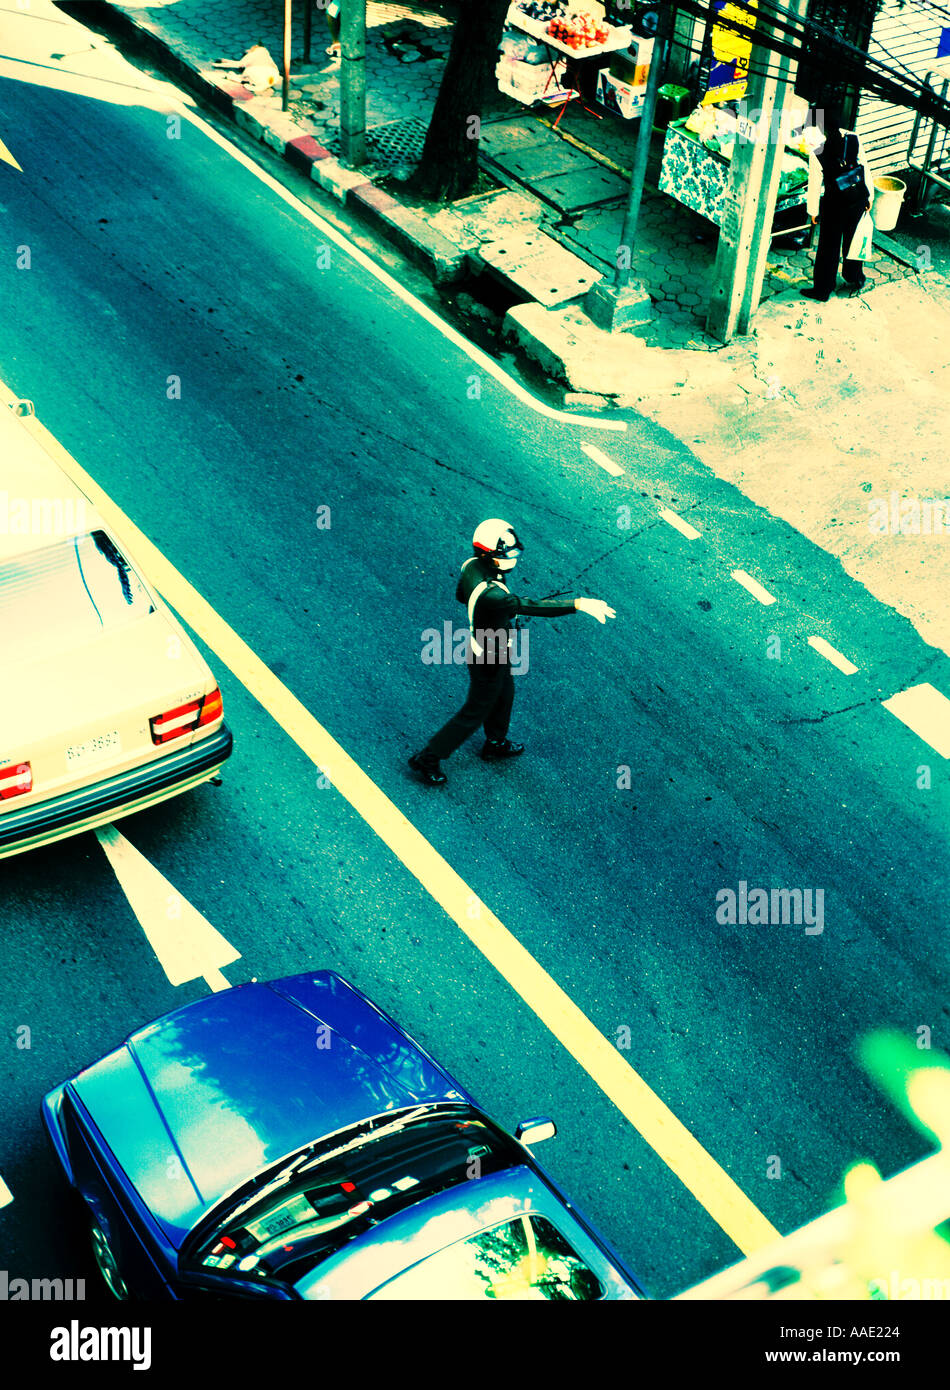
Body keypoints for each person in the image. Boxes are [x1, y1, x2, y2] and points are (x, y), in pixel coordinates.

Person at [409, 519, 616, 786]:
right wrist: (578, 603)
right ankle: (428, 757)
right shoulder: (495, 596)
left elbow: (462, 595)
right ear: (489, 555)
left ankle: (495, 741)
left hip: (490, 646)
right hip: (489, 656)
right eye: (507, 555)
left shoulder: (472, 567)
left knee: (505, 694)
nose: (514, 559)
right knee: (474, 713)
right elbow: (531, 606)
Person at [801, 109, 873, 301]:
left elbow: (815, 184)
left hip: (834, 205)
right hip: (857, 200)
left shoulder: (817, 150)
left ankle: (823, 290)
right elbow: (864, 167)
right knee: (854, 241)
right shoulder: (854, 138)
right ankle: (854, 278)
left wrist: (813, 211)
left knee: (828, 249)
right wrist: (869, 197)